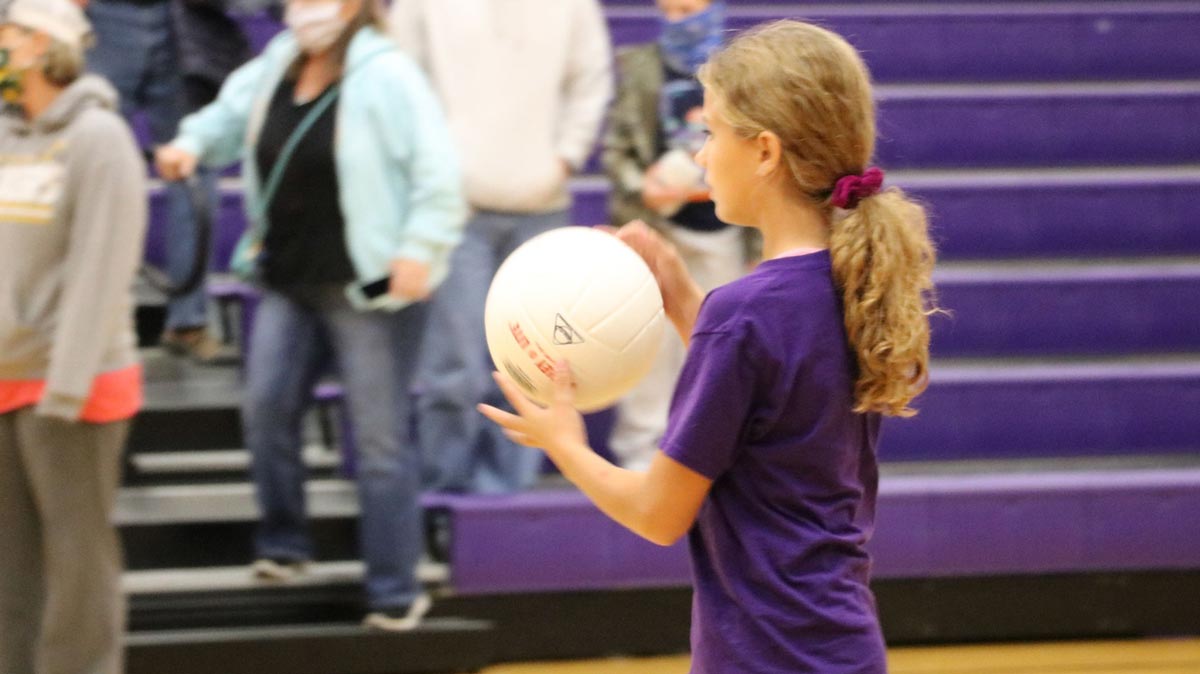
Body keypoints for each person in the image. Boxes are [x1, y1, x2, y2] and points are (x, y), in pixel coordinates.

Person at [481, 20, 938, 673]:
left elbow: (658, 513)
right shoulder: (845, 286)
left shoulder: (744, 315)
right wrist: (679, 296)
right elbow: (769, 386)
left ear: (764, 152)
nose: (699, 155)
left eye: (710, 132)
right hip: (841, 648)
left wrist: (565, 444)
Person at [155, 0, 466, 630]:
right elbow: (222, 118)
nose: (302, 9)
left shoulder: (389, 74)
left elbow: (440, 176)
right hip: (288, 277)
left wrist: (421, 250)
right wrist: (189, 144)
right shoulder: (275, 63)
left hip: (367, 287)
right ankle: (284, 544)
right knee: (266, 410)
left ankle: (395, 590)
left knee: (379, 441)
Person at [389, 0, 613, 493]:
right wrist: (431, 179)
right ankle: (443, 496)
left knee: (532, 367)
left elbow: (591, 80)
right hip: (455, 210)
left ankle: (505, 497)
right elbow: (400, 80)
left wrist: (565, 159)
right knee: (456, 367)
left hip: (541, 206)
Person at [0, 1, 148, 672]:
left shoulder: (99, 136)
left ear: (43, 44)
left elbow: (102, 269)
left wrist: (65, 386)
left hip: (75, 388)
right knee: (13, 571)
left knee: (77, 568)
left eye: (9, 34)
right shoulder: (7, 136)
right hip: (8, 379)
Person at [603, 0, 748, 472]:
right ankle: (640, 455)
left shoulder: (743, 68)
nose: (681, 16)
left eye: (691, 7)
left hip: (723, 233)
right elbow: (618, 148)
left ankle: (711, 452)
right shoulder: (641, 65)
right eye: (673, 9)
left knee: (714, 344)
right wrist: (640, 184)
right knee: (647, 344)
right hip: (660, 227)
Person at [87, 0, 239, 362]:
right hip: (100, 18)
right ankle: (81, 321)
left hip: (182, 17)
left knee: (191, 168)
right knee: (84, 167)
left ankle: (189, 322)